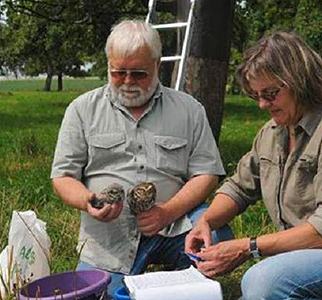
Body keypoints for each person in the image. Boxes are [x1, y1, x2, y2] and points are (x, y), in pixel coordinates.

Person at [185, 31, 322, 300]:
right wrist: (207, 221)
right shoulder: (272, 131)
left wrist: (248, 248)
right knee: (257, 281)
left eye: (270, 93)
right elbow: (239, 187)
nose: (261, 104)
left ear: (299, 80)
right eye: (255, 95)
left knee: (264, 280)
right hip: (309, 257)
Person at [50, 20, 232, 296]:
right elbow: (62, 177)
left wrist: (167, 212)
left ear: (158, 65)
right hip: (110, 238)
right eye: (118, 72)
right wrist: (87, 202)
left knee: (215, 234)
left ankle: (185, 282)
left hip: (175, 225)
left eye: (139, 74)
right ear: (108, 65)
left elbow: (206, 173)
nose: (127, 82)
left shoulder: (189, 110)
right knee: (102, 294)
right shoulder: (82, 110)